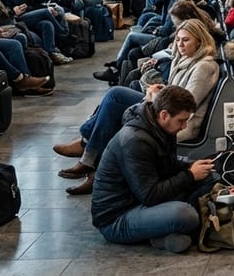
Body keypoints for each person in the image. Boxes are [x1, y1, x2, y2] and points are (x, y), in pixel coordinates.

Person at [56, 18, 220, 195]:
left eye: (186, 40)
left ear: (200, 40)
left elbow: (187, 104)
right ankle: (90, 155)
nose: (180, 44)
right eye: (178, 39)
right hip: (166, 109)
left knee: (116, 100)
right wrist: (159, 91)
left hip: (178, 121)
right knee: (115, 97)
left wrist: (155, 97)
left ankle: (89, 154)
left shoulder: (204, 66)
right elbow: (176, 93)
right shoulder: (185, 59)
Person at [90, 85, 212, 253]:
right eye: (181, 120)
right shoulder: (136, 140)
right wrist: (190, 175)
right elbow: (149, 195)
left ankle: (161, 233)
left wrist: (192, 167)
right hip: (116, 219)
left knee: (207, 180)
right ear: (164, 115)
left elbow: (164, 167)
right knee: (186, 214)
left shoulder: (159, 128)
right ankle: (162, 231)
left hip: (139, 202)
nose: (184, 126)